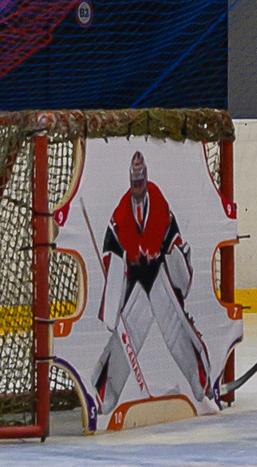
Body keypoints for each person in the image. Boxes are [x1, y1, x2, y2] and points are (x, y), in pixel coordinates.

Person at [90, 150, 212, 419]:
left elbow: (173, 240)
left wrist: (177, 274)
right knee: (127, 332)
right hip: (135, 276)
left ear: (145, 180)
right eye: (134, 183)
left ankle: (199, 379)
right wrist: (115, 287)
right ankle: (105, 391)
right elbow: (112, 249)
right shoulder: (120, 212)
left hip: (157, 273)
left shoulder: (158, 202)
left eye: (140, 182)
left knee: (175, 326)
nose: (137, 187)